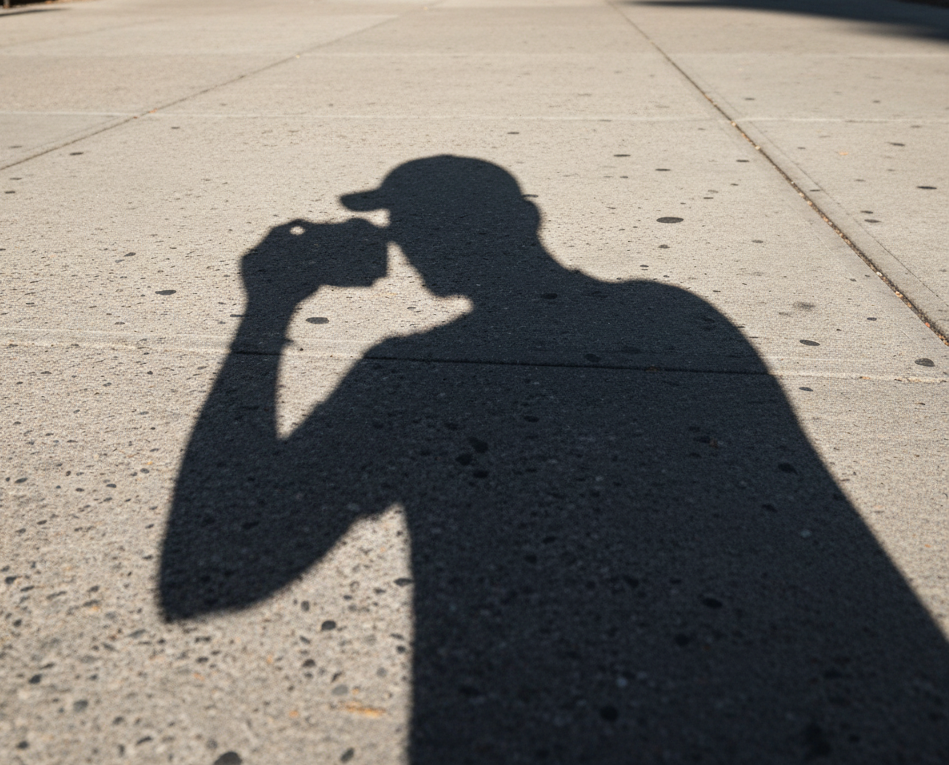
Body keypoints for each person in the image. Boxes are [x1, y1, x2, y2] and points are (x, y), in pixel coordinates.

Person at [161, 155, 949, 765]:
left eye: (402, 221)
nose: (399, 238)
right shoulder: (681, 314)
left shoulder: (399, 369)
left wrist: (269, 303)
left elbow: (208, 575)